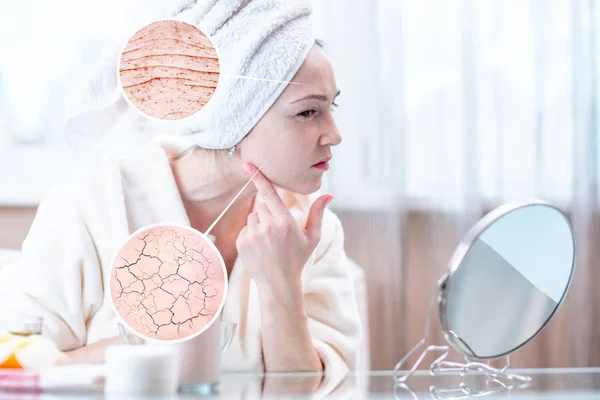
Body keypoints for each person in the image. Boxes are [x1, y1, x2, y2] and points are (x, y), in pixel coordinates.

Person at [0, 0, 361, 375]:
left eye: (332, 106)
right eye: (307, 112)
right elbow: (15, 366)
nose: (334, 135)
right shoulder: (93, 208)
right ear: (234, 115)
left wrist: (282, 286)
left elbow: (326, 388)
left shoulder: (311, 229)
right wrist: (144, 346)